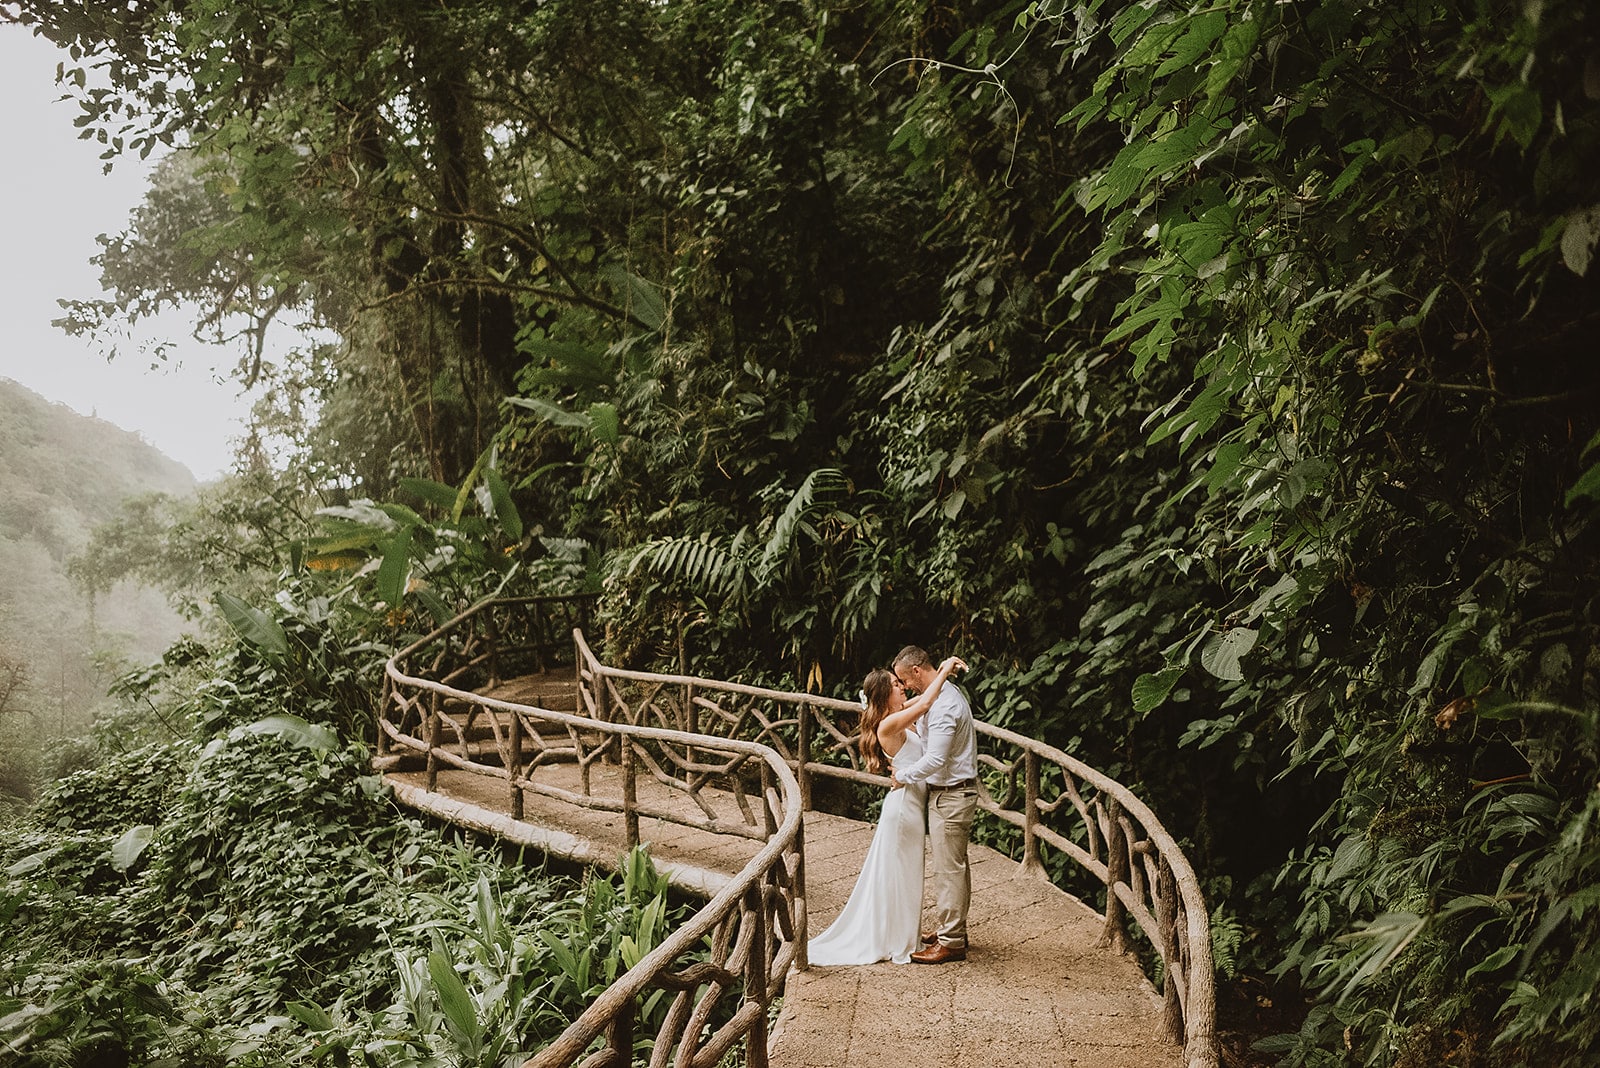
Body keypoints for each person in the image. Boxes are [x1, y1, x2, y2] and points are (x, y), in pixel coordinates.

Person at [807, 655, 966, 966]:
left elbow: (924, 699)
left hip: (909, 803)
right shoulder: (889, 723)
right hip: (904, 807)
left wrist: (933, 680)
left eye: (901, 681)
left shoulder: (898, 713)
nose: (903, 687)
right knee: (901, 872)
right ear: (884, 695)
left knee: (904, 873)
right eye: (896, 685)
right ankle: (894, 938)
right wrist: (945, 670)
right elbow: (924, 705)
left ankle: (902, 932)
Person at [890, 645, 979, 964]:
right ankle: (954, 930)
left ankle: (952, 941)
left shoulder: (944, 706)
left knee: (948, 870)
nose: (905, 686)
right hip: (949, 792)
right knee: (956, 866)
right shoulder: (941, 692)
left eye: (905, 679)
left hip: (953, 794)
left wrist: (903, 775)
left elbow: (936, 758)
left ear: (916, 670)